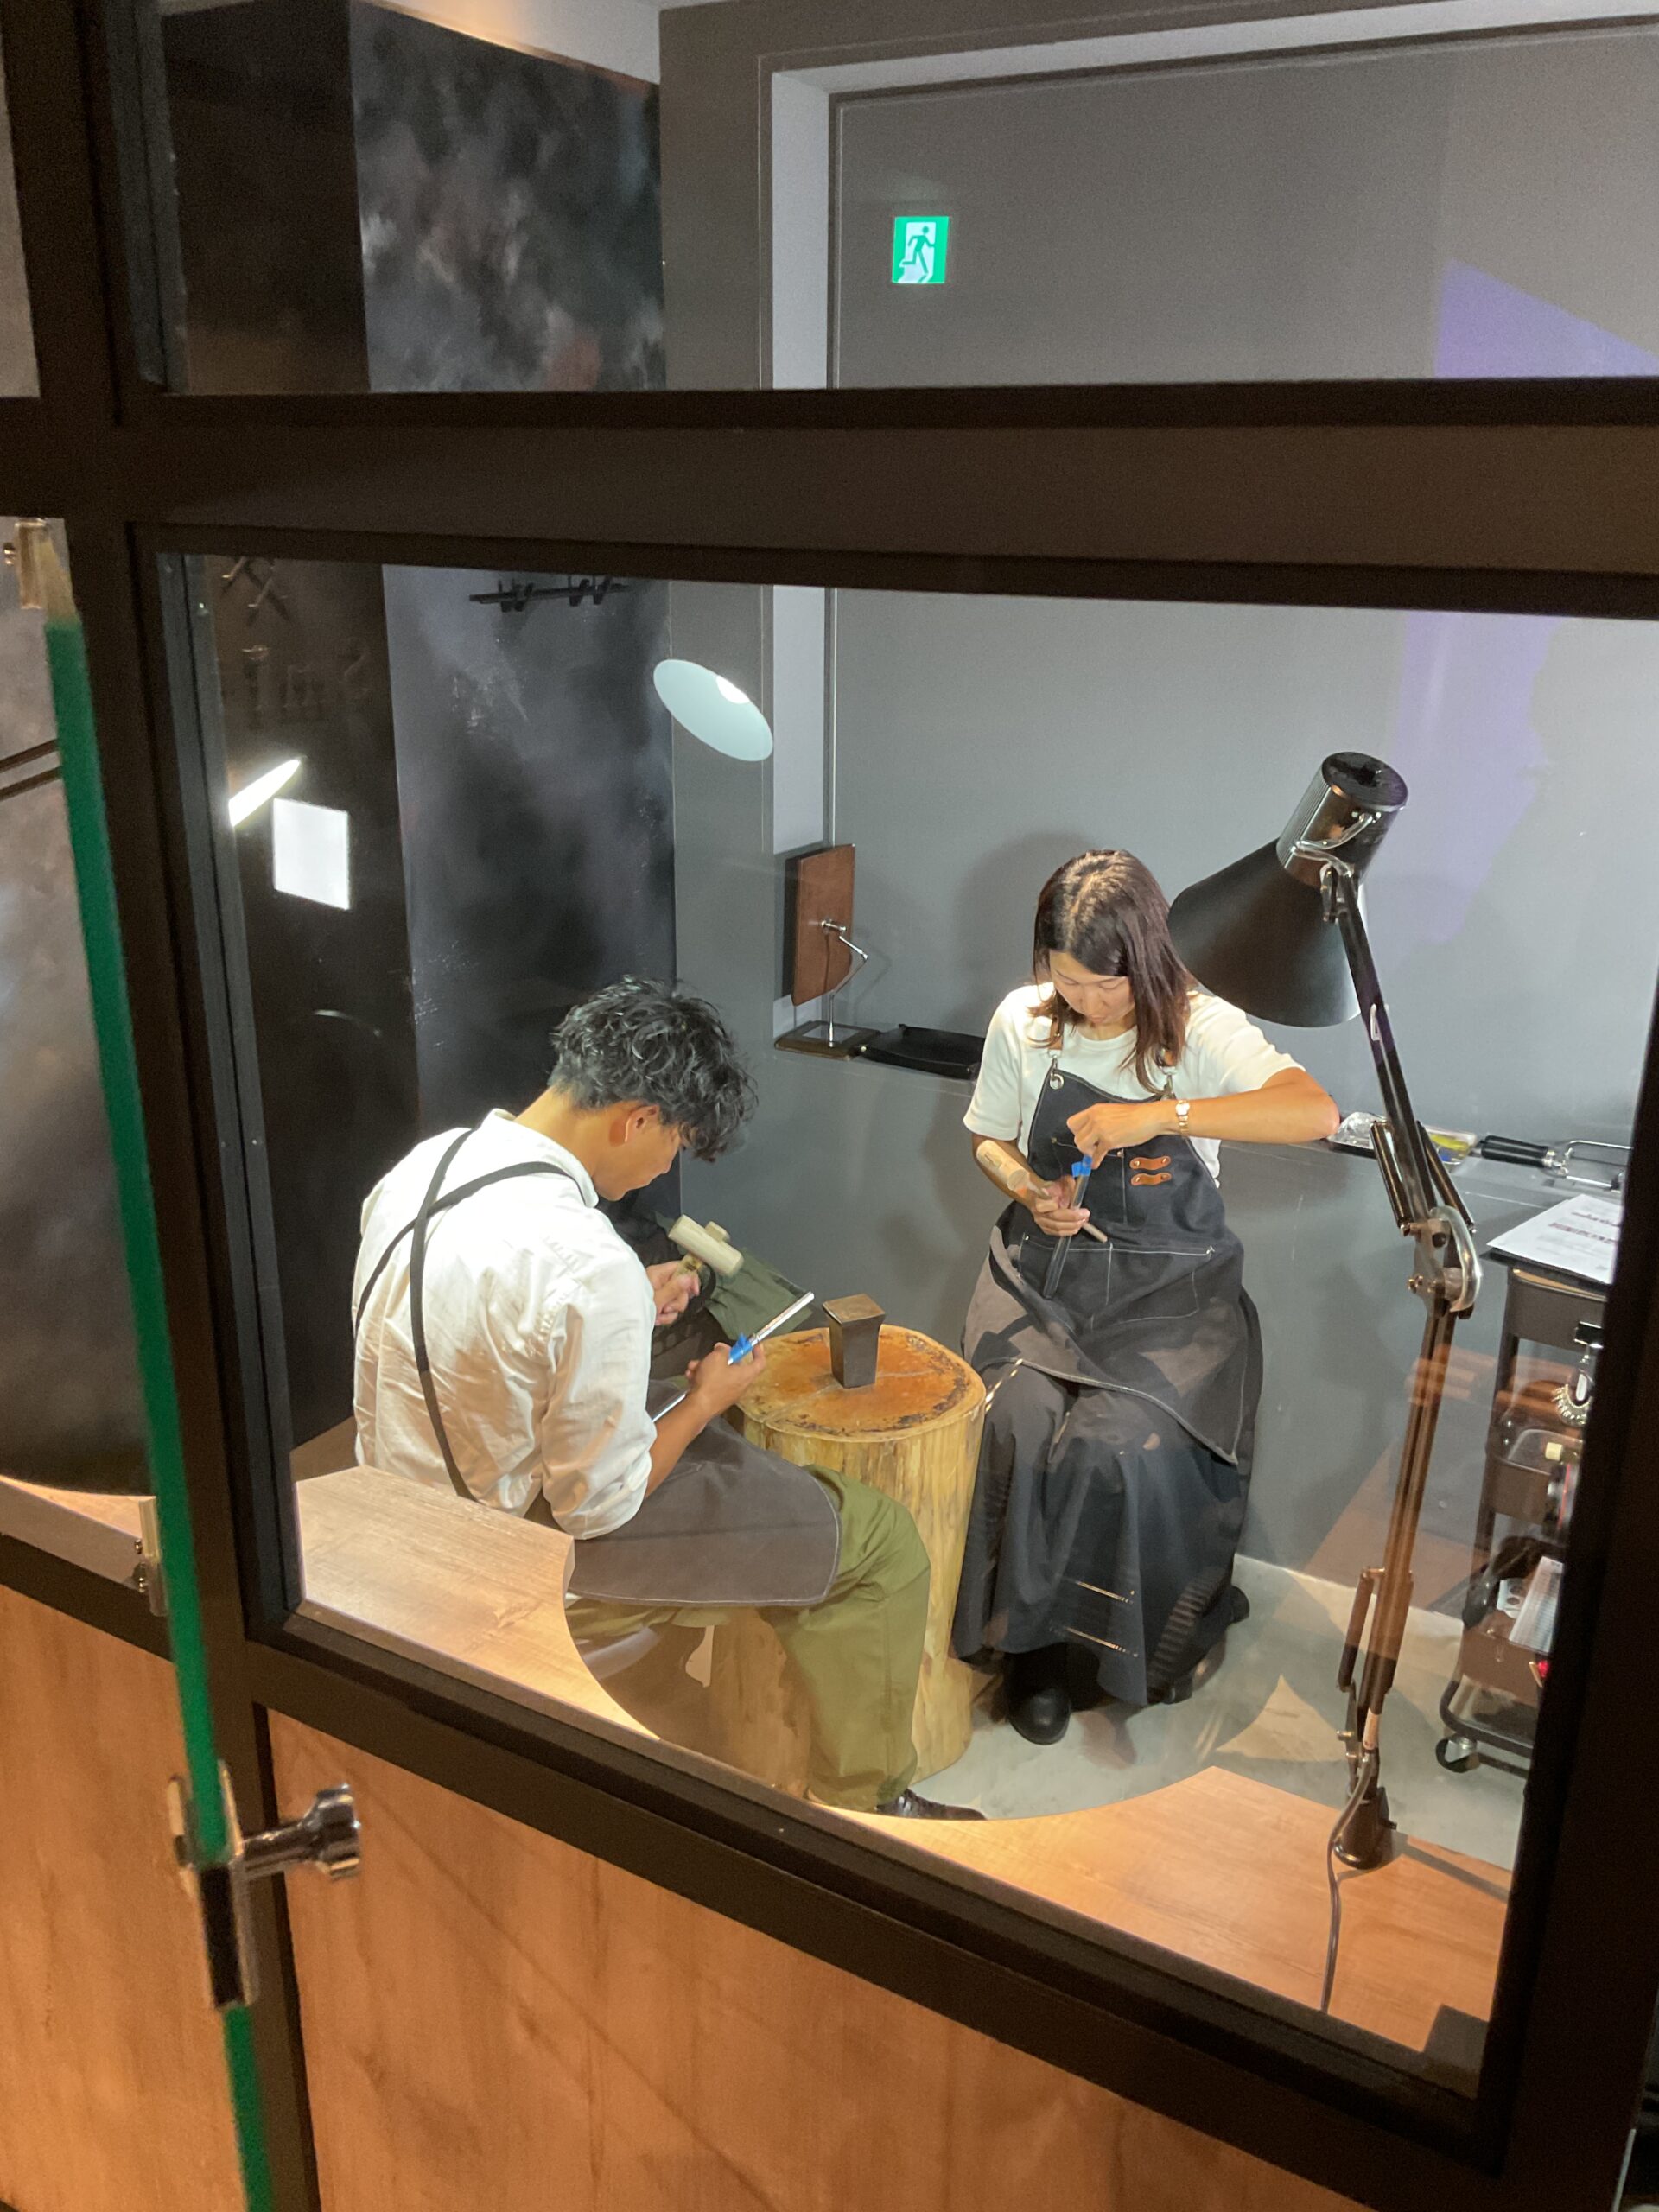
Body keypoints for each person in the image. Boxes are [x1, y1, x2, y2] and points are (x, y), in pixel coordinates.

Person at [354, 976, 980, 1821]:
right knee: (880, 1544)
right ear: (638, 1118)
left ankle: (655, 1689)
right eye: (676, 1142)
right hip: (502, 1558)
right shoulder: (586, 1259)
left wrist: (623, 1310)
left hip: (397, 1504)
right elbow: (596, 1508)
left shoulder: (424, 1168)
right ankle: (864, 1808)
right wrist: (703, 1399)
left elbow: (488, 1332)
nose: (665, 1165)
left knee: (710, 1445)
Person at [952, 851, 1339, 1745]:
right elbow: (987, 1140)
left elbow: (1312, 1112)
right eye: (1068, 980)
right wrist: (1029, 1192)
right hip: (1045, 1271)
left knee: (1111, 1445)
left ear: (1149, 959)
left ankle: (1096, 1656)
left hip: (1171, 1288)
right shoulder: (1024, 1021)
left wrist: (1161, 1114)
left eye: (1106, 984)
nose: (1087, 1001)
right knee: (1011, 1420)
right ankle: (1021, 1647)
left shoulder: (1199, 1026)